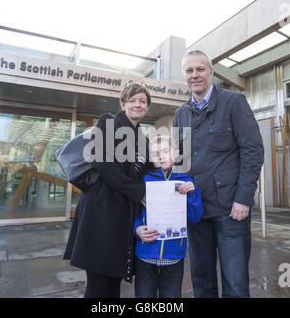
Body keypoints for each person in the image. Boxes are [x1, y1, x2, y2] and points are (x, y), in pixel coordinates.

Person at [173, 50, 264, 298]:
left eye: (200, 69)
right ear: (184, 76)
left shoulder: (233, 103)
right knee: (201, 281)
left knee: (235, 282)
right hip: (196, 210)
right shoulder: (181, 114)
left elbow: (253, 151)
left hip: (231, 210)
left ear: (211, 72)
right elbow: (179, 163)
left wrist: (244, 198)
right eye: (189, 71)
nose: (195, 75)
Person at [63, 82, 152, 298]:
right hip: (100, 214)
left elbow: (148, 173)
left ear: (148, 107)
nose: (137, 105)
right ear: (123, 104)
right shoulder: (108, 123)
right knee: (99, 284)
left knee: (113, 282)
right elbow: (104, 164)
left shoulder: (145, 139)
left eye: (142, 102)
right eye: (132, 101)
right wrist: (140, 194)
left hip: (123, 217)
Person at [133, 135, 203, 298]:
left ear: (176, 153)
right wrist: (136, 229)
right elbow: (133, 212)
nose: (161, 156)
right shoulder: (144, 181)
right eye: (156, 153)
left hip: (174, 257)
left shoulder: (185, 181)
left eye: (165, 151)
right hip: (145, 255)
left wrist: (193, 193)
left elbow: (195, 217)